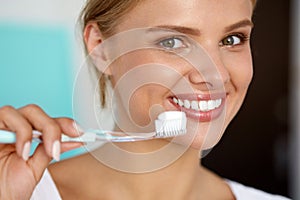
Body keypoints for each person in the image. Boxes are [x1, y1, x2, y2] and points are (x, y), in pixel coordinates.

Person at [0, 0, 291, 199]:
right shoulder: (19, 191)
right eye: (173, 42)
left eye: (232, 39)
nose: (214, 75)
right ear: (102, 48)